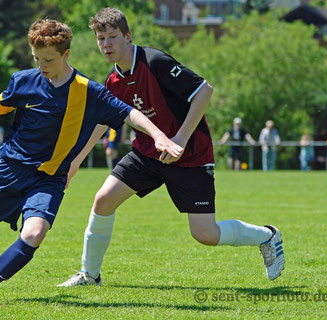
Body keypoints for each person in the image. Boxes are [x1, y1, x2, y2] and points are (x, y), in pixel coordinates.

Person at [0, 18, 181, 307]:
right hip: (10, 168)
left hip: (49, 178)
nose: (41, 65)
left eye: (48, 59)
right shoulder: (23, 81)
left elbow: (129, 113)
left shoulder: (90, 91)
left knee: (35, 233)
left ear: (66, 55)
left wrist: (158, 135)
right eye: (36, 58)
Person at [57, 8, 285, 288]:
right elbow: (103, 122)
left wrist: (180, 138)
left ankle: (267, 235)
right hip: (148, 153)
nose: (107, 44)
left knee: (205, 234)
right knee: (103, 200)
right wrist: (76, 160)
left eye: (113, 37)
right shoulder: (113, 82)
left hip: (190, 155)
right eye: (101, 38)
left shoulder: (155, 61)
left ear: (128, 36)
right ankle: (89, 275)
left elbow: (204, 91)